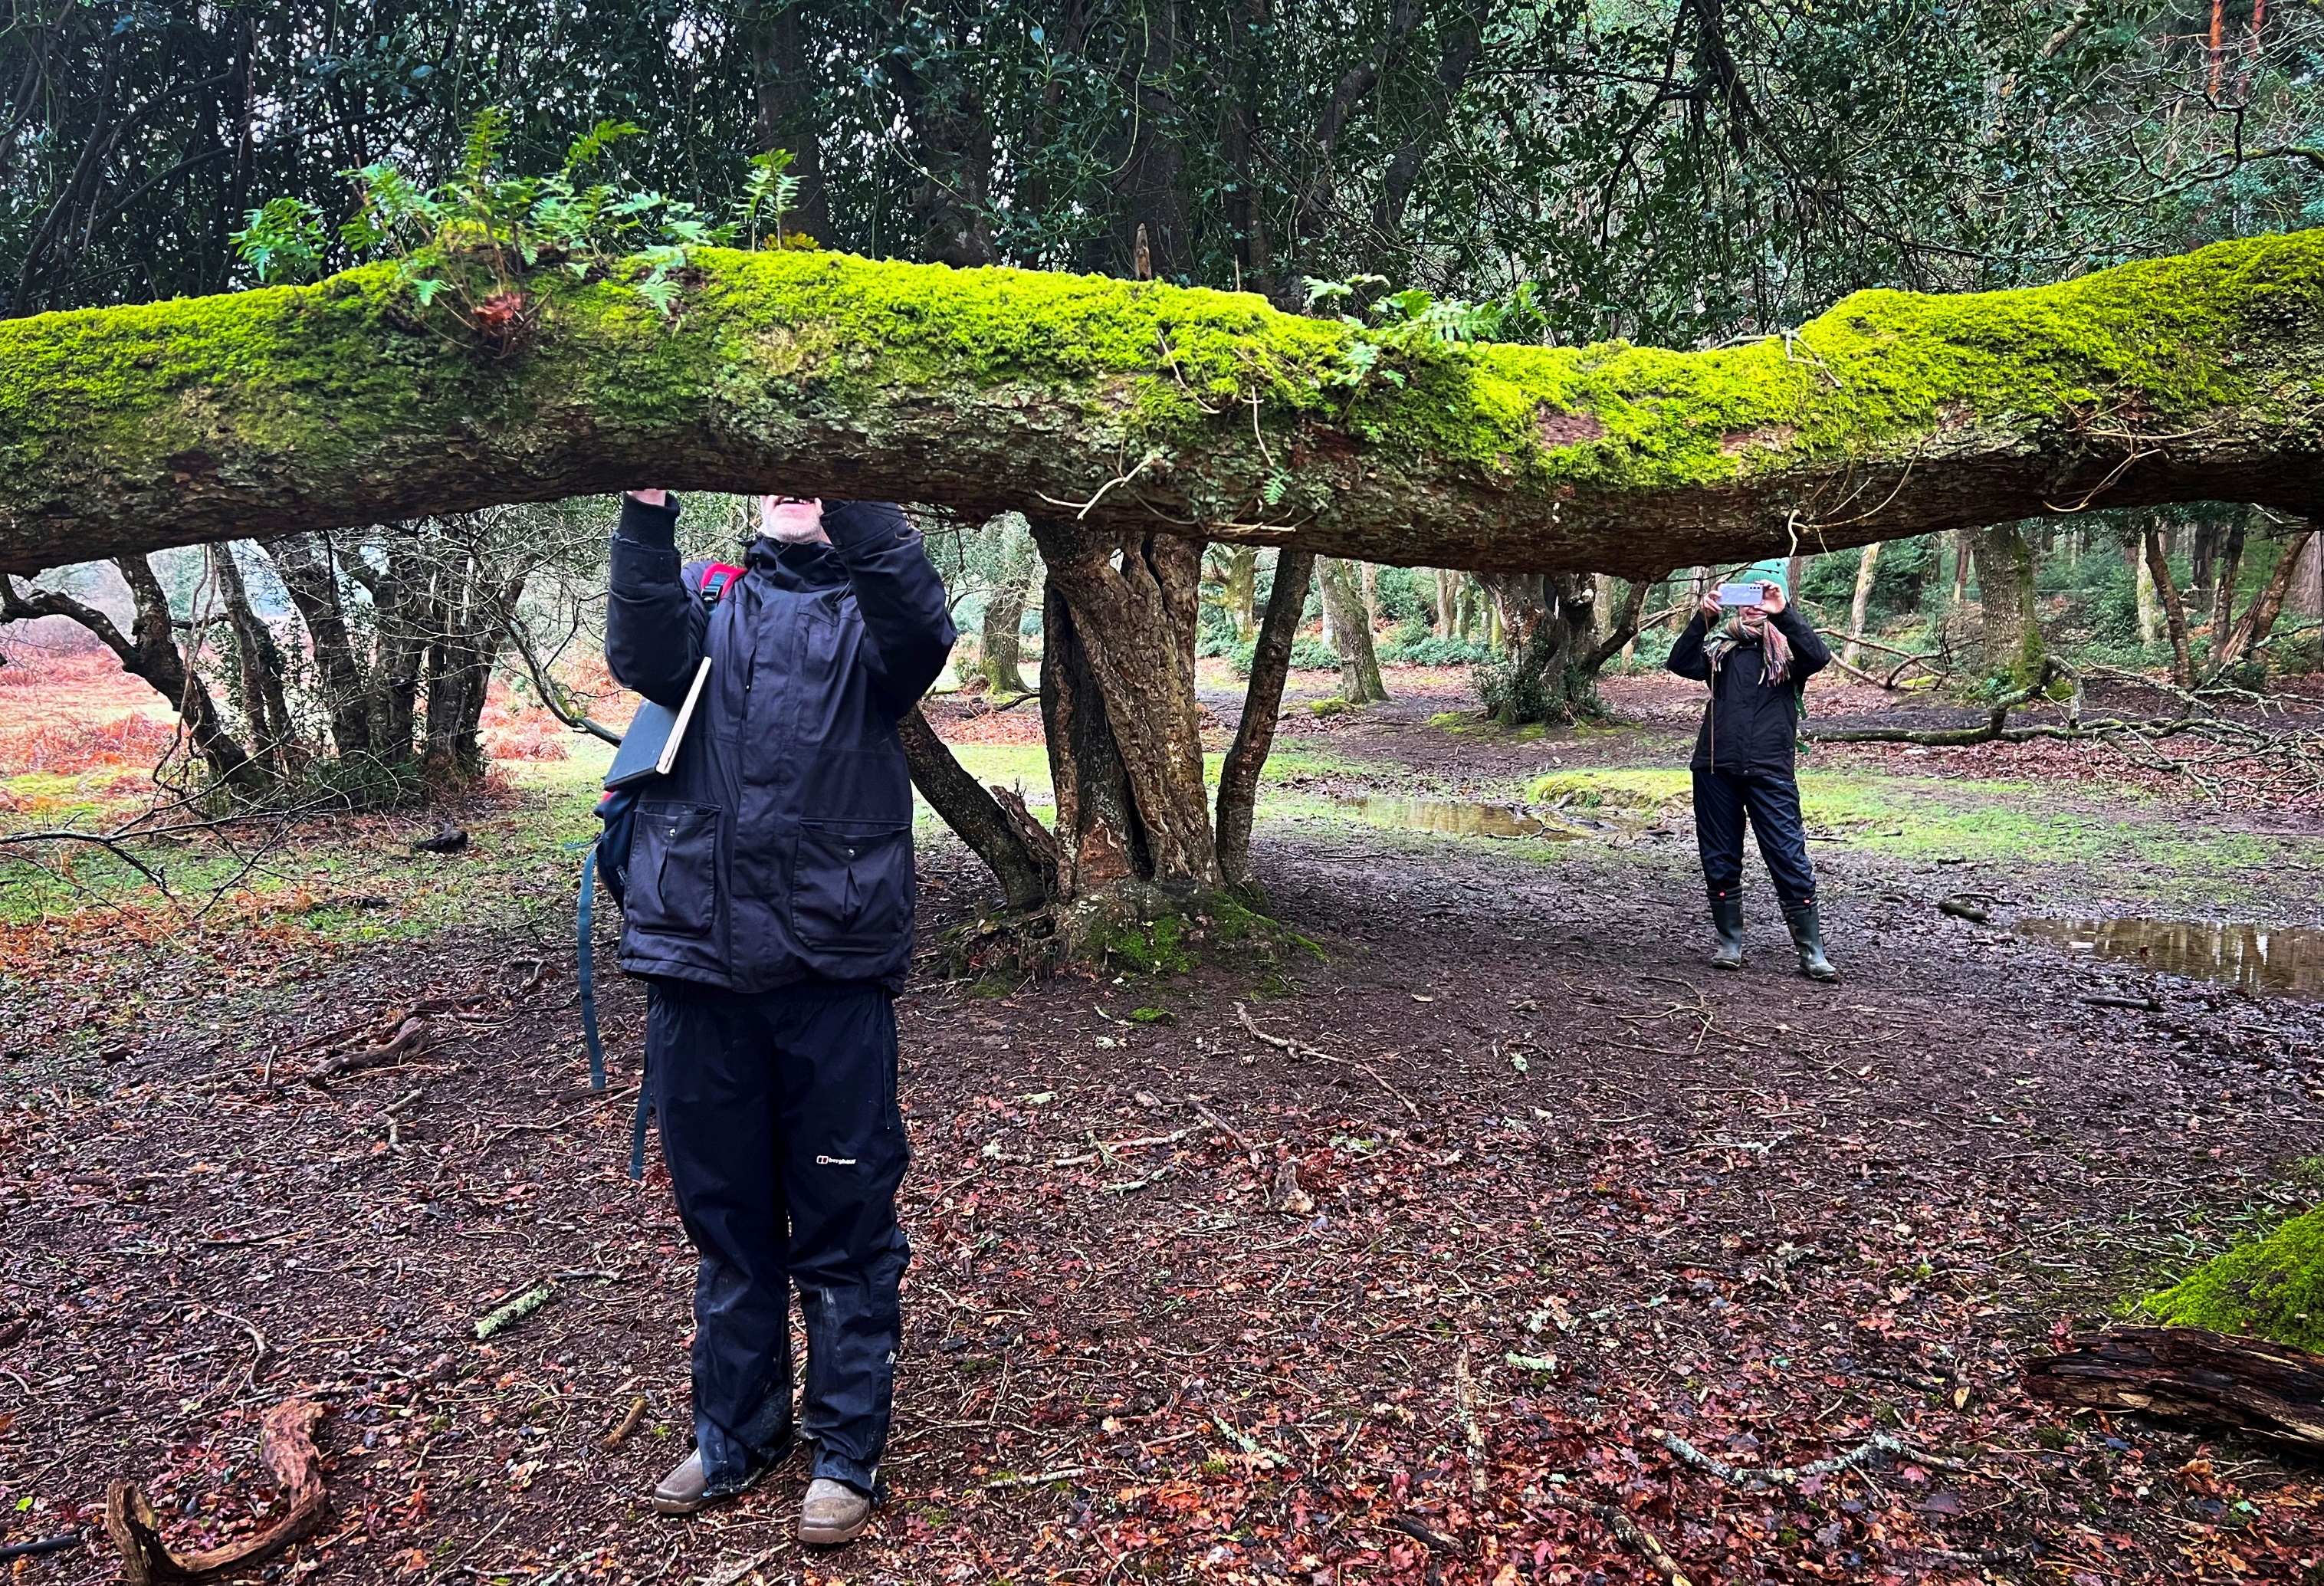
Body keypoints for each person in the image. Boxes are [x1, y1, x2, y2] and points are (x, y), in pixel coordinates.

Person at [606, 488, 955, 1544]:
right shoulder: (708, 607)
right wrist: (644, 510)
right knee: (727, 1224)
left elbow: (922, 627)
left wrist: (853, 491)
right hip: (699, 973)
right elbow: (641, 646)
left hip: (832, 974)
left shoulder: (874, 624)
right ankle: (735, 1432)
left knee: (847, 1225)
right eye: (779, 475)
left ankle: (846, 1448)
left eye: (817, 478)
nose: (795, 487)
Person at [1666, 575, 1839, 982]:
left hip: (1770, 769)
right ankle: (1730, 943)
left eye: (1764, 597)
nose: (1755, 605)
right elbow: (1679, 662)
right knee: (1720, 857)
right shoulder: (1720, 649)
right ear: (1736, 604)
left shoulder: (1790, 651)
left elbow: (1819, 657)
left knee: (1787, 855)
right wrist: (1703, 619)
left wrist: (1785, 612)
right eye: (1748, 598)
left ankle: (1811, 951)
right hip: (1715, 766)